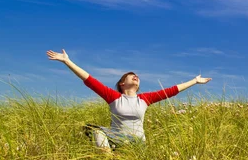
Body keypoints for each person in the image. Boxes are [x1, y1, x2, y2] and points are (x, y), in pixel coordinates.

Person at [46, 49, 212, 150]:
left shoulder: (145, 99)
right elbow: (89, 79)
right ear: (122, 83)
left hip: (137, 143)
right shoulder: (113, 97)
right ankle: (107, 158)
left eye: (137, 77)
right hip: (115, 138)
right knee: (94, 130)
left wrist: (195, 81)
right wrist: (67, 61)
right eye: (131, 76)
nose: (136, 77)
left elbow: (171, 91)